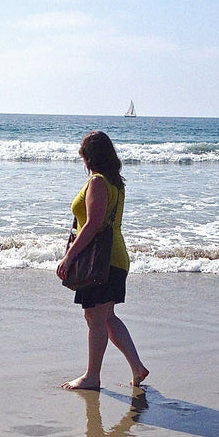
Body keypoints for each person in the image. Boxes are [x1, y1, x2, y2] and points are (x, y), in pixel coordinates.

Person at [57, 131, 149, 390]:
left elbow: (93, 225)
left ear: (90, 157)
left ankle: (92, 377)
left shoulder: (97, 182)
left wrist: (69, 256)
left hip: (102, 260)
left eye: (83, 156)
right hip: (116, 257)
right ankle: (137, 368)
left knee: (95, 317)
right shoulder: (116, 183)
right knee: (107, 316)